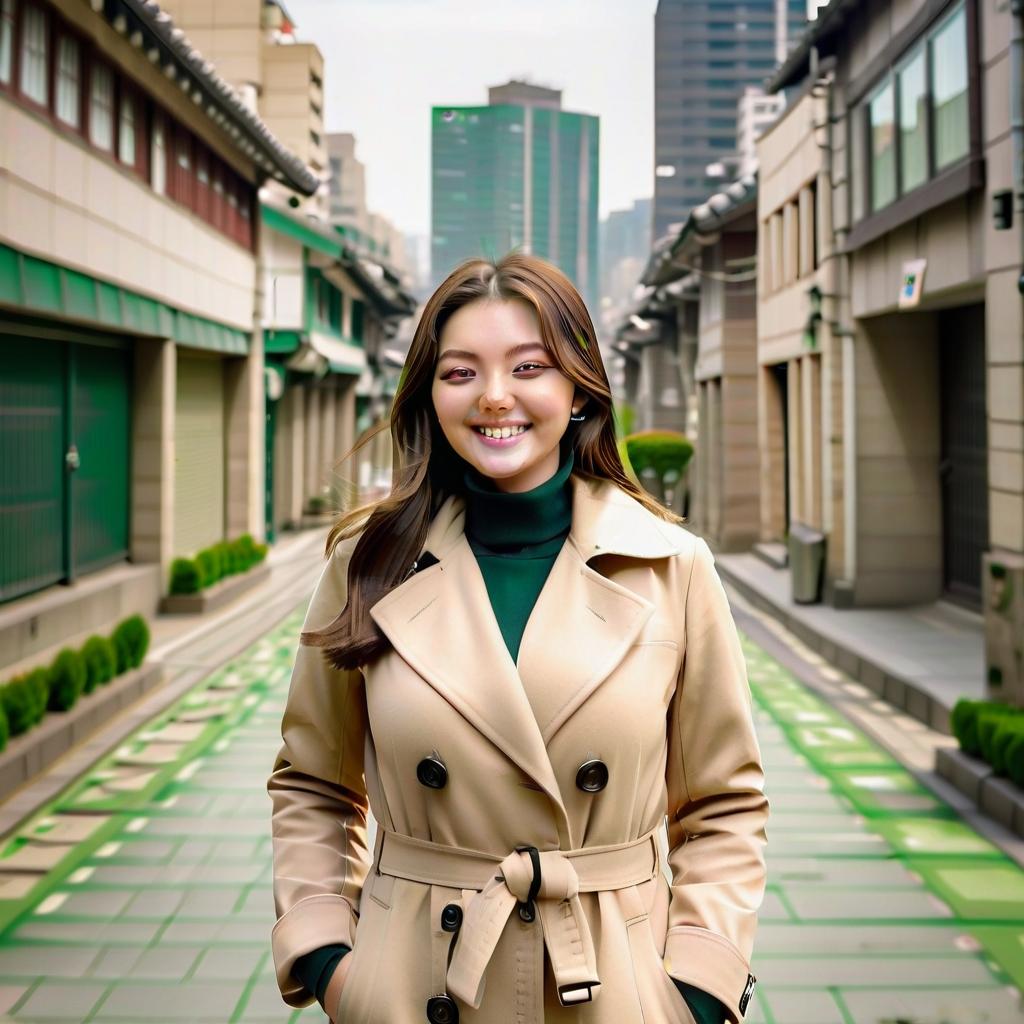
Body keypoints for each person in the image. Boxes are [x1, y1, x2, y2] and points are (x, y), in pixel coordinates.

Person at [267, 252, 769, 1024]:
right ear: (430, 395)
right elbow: (314, 784)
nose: (494, 397)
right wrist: (333, 961)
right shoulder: (366, 560)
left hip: (613, 985)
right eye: (460, 372)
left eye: (527, 366)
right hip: (415, 985)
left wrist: (697, 988)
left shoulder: (672, 566)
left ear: (577, 388)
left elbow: (723, 804)